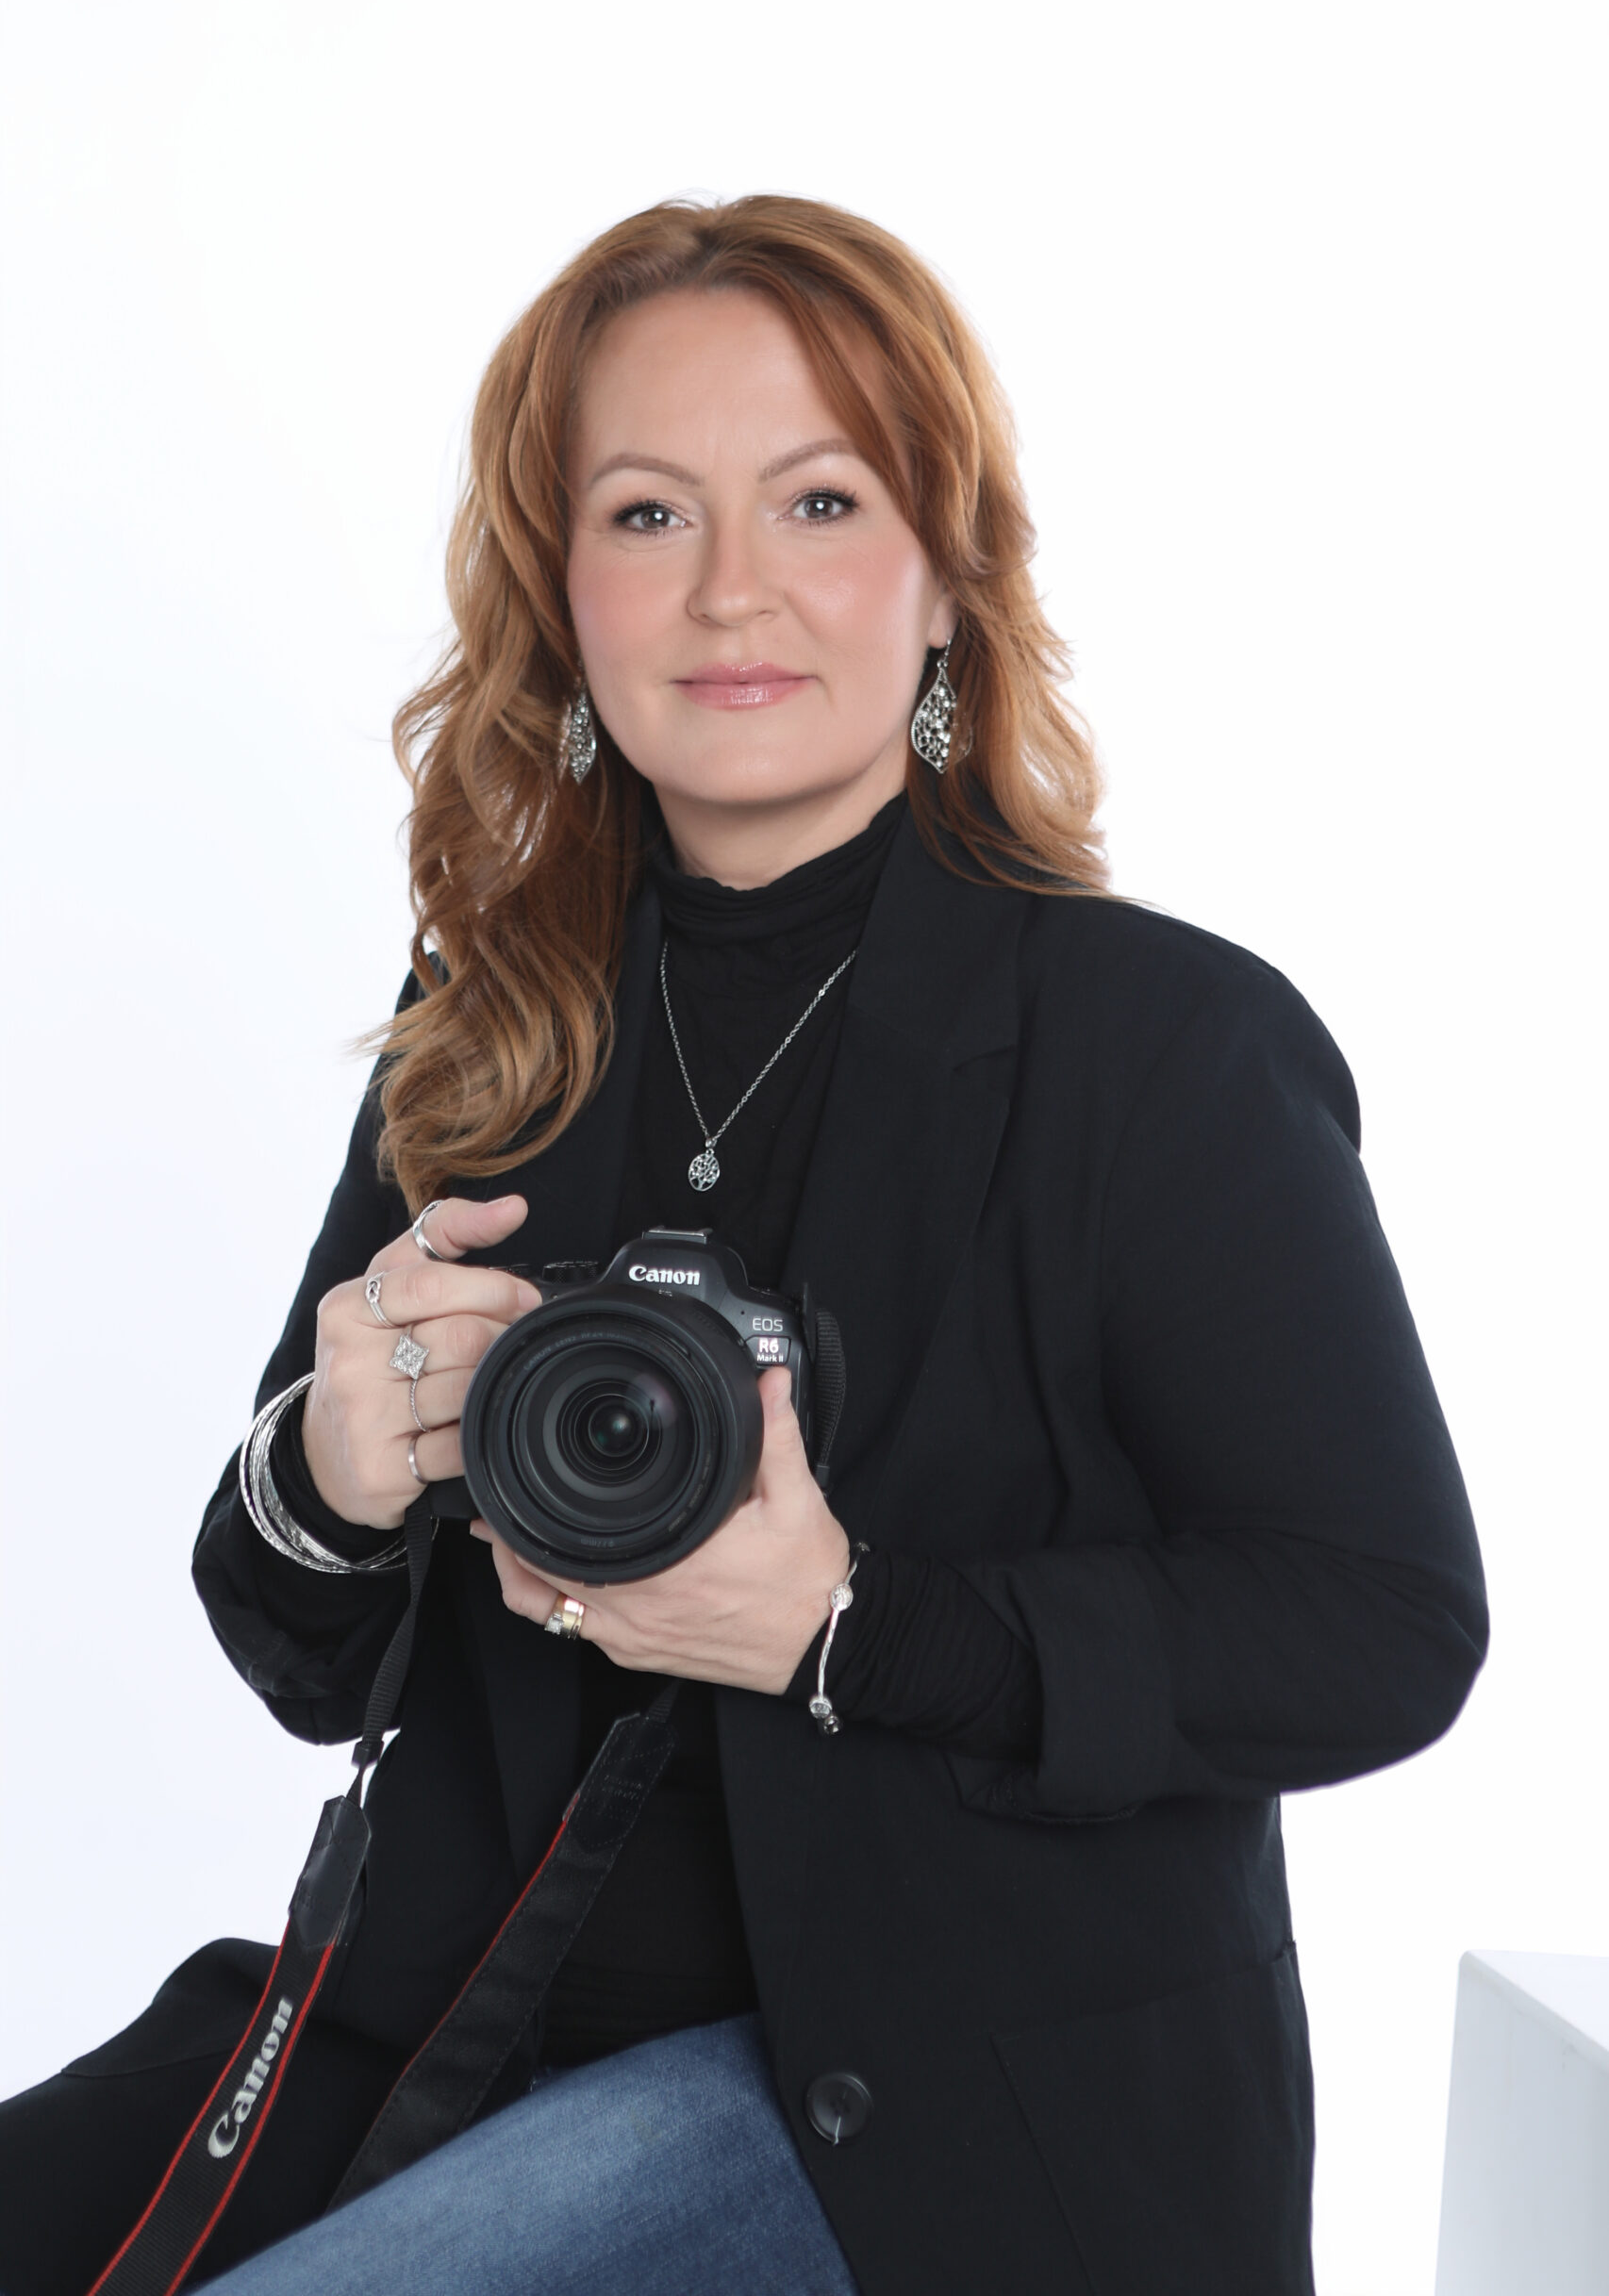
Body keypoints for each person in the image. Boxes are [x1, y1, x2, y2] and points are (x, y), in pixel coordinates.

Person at [0, 196, 1487, 2296]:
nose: (730, 592)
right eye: (642, 512)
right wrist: (335, 1472)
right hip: (445, 2020)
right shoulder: (497, 1030)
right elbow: (287, 1637)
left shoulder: (1159, 1047)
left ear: (949, 574)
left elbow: (1380, 1623)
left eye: (817, 495)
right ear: (559, 591)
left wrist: (845, 1623)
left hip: (927, 2112)